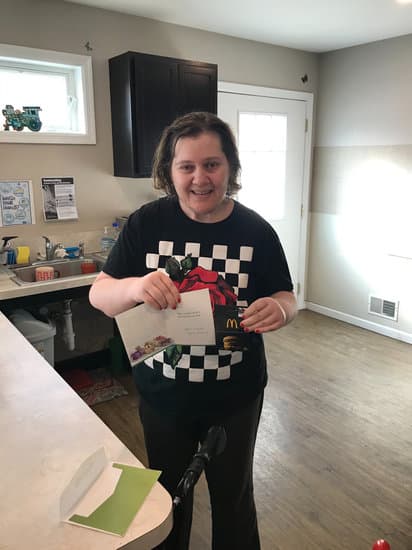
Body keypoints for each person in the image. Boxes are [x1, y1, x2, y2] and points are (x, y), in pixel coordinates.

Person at [89, 111, 297, 550]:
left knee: (234, 500)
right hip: (164, 397)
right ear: (170, 171)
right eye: (187, 166)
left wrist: (279, 309)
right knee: (167, 504)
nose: (199, 178)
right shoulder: (145, 224)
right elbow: (99, 295)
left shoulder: (256, 232)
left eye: (212, 164)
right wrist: (134, 286)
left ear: (230, 169)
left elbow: (285, 296)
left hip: (235, 397)